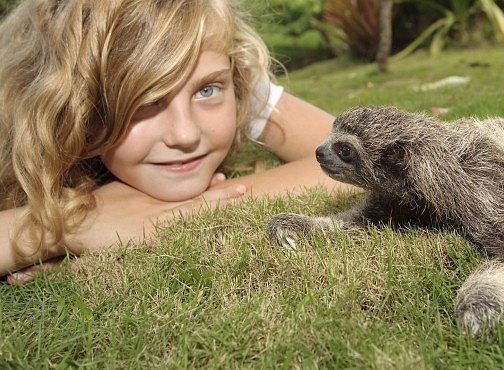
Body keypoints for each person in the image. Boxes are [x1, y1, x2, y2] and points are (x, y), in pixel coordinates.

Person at [0, 0, 352, 284]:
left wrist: (191, 210)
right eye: (144, 101)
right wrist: (59, 225)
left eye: (207, 90)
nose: (185, 135)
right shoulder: (24, 113)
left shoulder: (222, 62)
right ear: (75, 105)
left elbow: (360, 158)